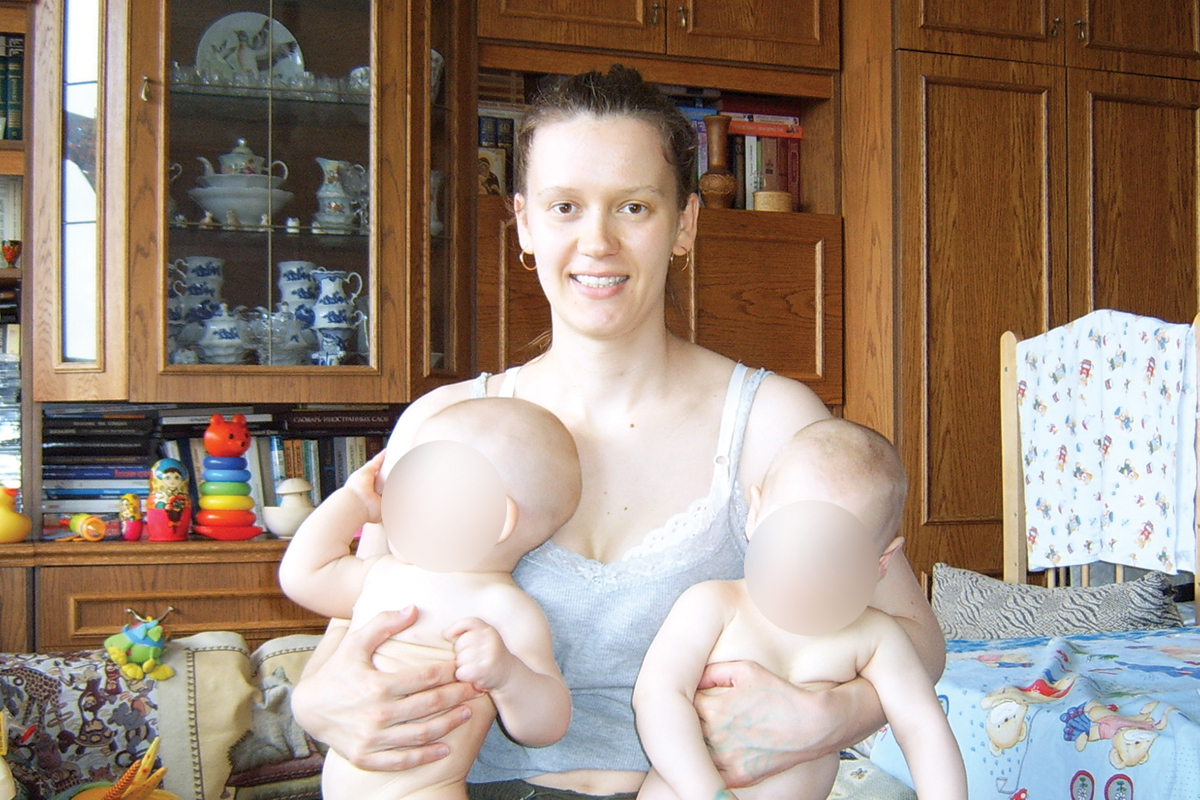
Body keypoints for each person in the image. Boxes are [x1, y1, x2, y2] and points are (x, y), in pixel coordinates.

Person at [290, 64, 946, 798]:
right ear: (524, 223)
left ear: (683, 225)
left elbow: (915, 638)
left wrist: (831, 716)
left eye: (633, 207)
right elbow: (353, 632)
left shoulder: (774, 421)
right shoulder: (440, 426)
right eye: (565, 206)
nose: (597, 241)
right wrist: (316, 701)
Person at [633, 419, 967, 800]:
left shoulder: (875, 638)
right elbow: (657, 697)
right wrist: (710, 794)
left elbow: (923, 729)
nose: (802, 568)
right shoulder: (714, 605)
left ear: (880, 562)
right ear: (755, 515)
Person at [279, 397, 582, 800]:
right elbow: (302, 577)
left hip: (426, 789)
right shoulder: (383, 573)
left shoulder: (504, 608)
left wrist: (509, 676)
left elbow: (547, 726)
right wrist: (352, 502)